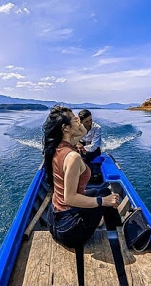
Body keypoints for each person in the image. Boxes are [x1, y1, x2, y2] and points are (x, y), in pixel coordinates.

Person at [43, 105, 119, 248]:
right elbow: (70, 198)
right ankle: (117, 235)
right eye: (74, 118)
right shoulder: (73, 157)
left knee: (104, 191)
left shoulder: (58, 145)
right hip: (69, 230)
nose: (78, 120)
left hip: (54, 220)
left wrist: (103, 198)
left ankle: (114, 227)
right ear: (65, 128)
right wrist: (103, 201)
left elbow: (83, 130)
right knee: (106, 199)